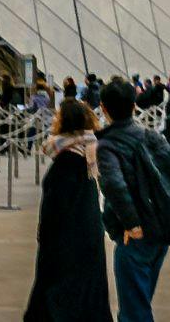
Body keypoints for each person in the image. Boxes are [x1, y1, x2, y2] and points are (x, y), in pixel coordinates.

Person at [94, 79, 170, 322]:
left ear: (103, 108)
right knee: (139, 301)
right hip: (161, 229)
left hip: (136, 235)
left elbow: (114, 185)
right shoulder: (149, 136)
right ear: (134, 105)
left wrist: (132, 223)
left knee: (134, 311)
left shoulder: (108, 145)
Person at [25, 98, 110, 322]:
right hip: (89, 233)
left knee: (60, 292)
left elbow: (56, 206)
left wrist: (44, 235)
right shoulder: (88, 151)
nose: (54, 118)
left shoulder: (67, 159)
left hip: (66, 238)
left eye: (58, 115)